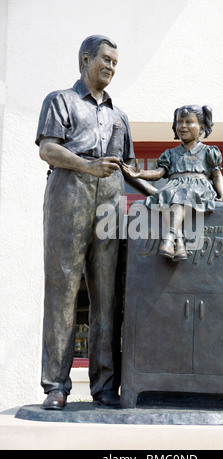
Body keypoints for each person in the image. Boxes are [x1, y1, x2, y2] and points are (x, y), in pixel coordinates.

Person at [36, 35, 148, 410]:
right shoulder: (61, 101)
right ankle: (56, 385)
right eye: (105, 59)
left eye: (116, 62)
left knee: (107, 297)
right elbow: (47, 149)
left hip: (111, 201)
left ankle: (104, 386)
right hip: (69, 193)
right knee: (63, 292)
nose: (111, 67)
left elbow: (129, 170)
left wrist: (169, 187)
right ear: (85, 60)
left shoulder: (120, 116)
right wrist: (87, 166)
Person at [122, 104, 223, 262]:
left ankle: (170, 237)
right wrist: (140, 173)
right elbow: (159, 173)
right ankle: (179, 243)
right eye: (179, 122)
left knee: (181, 193)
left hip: (200, 190)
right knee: (171, 194)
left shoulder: (209, 152)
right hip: (174, 189)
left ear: (201, 127)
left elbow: (217, 175)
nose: (183, 126)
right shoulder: (170, 154)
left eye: (189, 122)